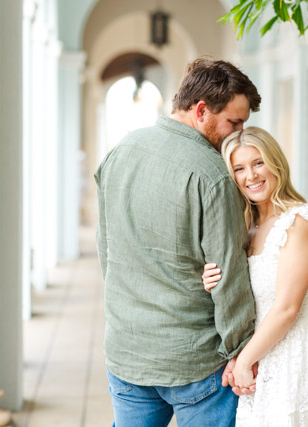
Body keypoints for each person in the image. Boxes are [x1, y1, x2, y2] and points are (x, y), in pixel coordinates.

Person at [94, 57, 261, 427]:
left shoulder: (121, 151)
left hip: (127, 351)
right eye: (234, 122)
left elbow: (107, 251)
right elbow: (229, 277)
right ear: (201, 110)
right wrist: (241, 352)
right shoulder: (214, 175)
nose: (237, 133)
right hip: (196, 362)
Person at [202, 127, 308, 426]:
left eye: (258, 163)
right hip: (260, 352)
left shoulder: (301, 221)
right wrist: (212, 279)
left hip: (297, 353)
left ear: (276, 163)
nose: (251, 176)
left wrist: (243, 361)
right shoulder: (246, 225)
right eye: (239, 168)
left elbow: (286, 308)